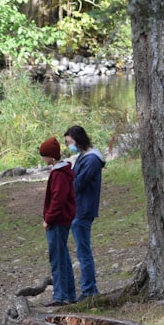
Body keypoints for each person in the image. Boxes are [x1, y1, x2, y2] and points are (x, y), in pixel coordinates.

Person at [64, 125, 106, 300]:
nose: (68, 146)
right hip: (78, 208)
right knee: (82, 251)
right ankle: (88, 288)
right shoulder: (83, 157)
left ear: (78, 139)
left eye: (69, 142)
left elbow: (78, 183)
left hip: (83, 209)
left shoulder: (91, 160)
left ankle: (89, 289)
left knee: (84, 252)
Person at [39, 136, 77, 307]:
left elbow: (57, 199)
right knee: (63, 256)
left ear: (51, 156)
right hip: (62, 220)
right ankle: (69, 294)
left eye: (44, 155)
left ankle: (60, 296)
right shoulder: (60, 172)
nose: (42, 158)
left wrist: (48, 219)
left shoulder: (59, 174)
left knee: (57, 258)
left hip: (58, 221)